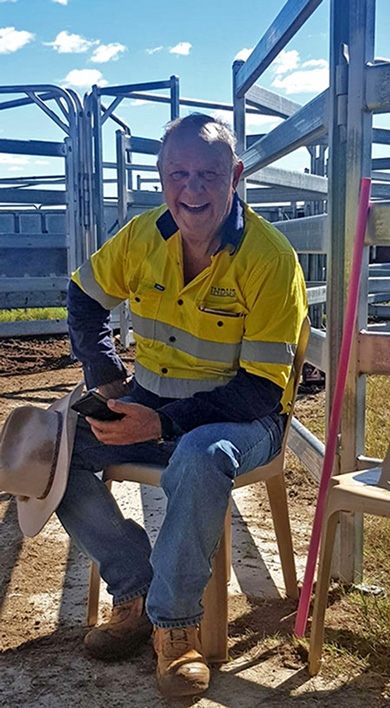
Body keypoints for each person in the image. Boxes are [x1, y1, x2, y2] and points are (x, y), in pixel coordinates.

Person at [58, 113, 307, 698]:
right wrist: (106, 376)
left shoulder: (271, 260)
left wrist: (163, 420)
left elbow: (262, 390)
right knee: (52, 449)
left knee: (198, 454)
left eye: (208, 175)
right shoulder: (143, 235)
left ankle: (174, 628)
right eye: (179, 173)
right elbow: (83, 294)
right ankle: (134, 587)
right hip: (152, 397)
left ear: (236, 175)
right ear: (161, 175)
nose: (192, 190)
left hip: (245, 419)